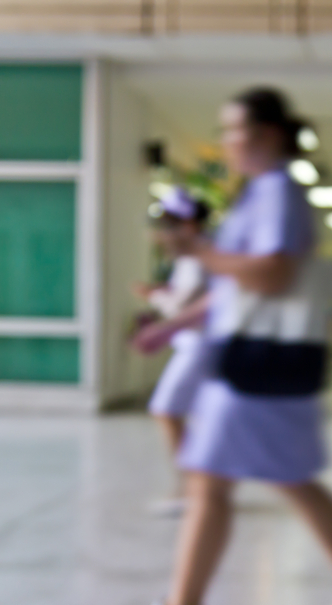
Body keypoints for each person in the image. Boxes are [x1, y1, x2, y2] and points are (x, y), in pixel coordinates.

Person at [112, 87, 332, 605]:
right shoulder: (264, 193)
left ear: (266, 135)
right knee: (290, 482)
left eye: (232, 130)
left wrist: (200, 251)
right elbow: (239, 287)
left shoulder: (279, 193)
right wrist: (171, 325)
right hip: (259, 364)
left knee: (212, 485)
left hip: (256, 368)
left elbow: (271, 275)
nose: (226, 142)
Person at [131, 187, 211, 517]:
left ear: (188, 226)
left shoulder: (202, 257)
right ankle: (196, 486)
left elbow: (189, 306)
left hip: (200, 345)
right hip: (194, 344)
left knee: (166, 409)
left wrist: (157, 301)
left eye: (167, 226)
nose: (160, 235)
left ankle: (193, 489)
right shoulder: (191, 259)